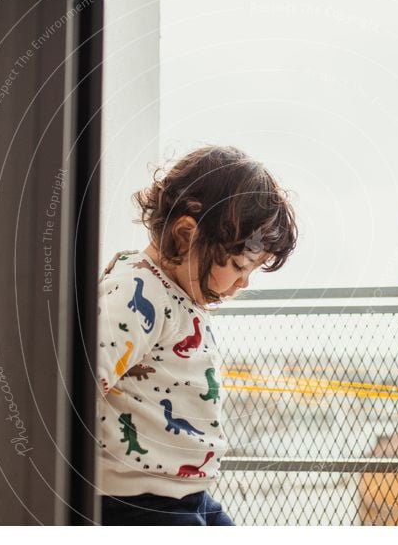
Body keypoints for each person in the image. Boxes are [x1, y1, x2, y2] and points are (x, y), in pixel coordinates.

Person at [96, 145, 298, 525]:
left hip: (185, 492)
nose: (242, 283)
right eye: (239, 265)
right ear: (187, 235)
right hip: (138, 502)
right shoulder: (136, 290)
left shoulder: (177, 293)